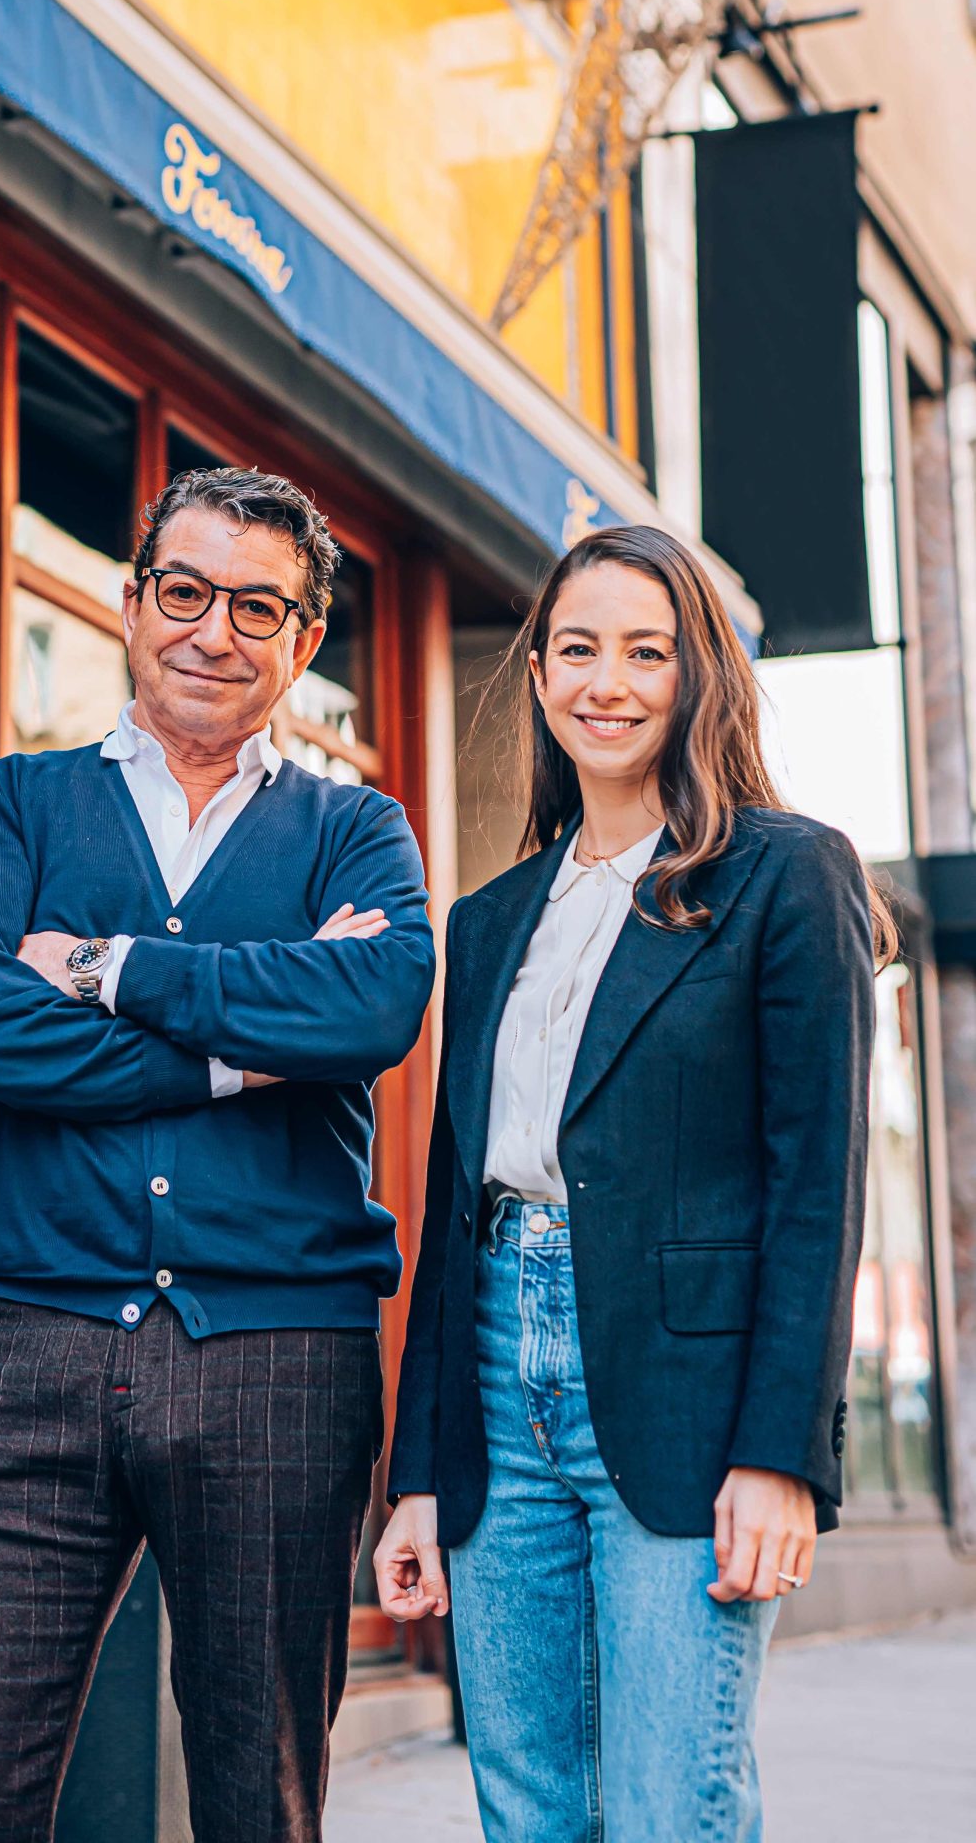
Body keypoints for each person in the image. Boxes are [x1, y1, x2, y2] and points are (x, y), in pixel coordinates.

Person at [0, 464, 436, 1843]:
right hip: (27, 1343)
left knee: (262, 1796)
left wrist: (102, 965)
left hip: (277, 1357)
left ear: (303, 644)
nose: (214, 632)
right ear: (131, 607)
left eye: (258, 608)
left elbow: (370, 1006)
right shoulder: (12, 806)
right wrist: (242, 1046)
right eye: (184, 593)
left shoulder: (353, 829)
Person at [374, 522, 884, 1842]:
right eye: (576, 647)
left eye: (643, 651)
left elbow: (813, 1189)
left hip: (682, 1397)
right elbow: (451, 1214)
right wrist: (420, 1471)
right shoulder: (486, 919)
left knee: (670, 1804)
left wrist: (780, 1453)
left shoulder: (784, 874)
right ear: (536, 672)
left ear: (695, 675)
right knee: (529, 1807)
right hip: (497, 1382)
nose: (605, 681)